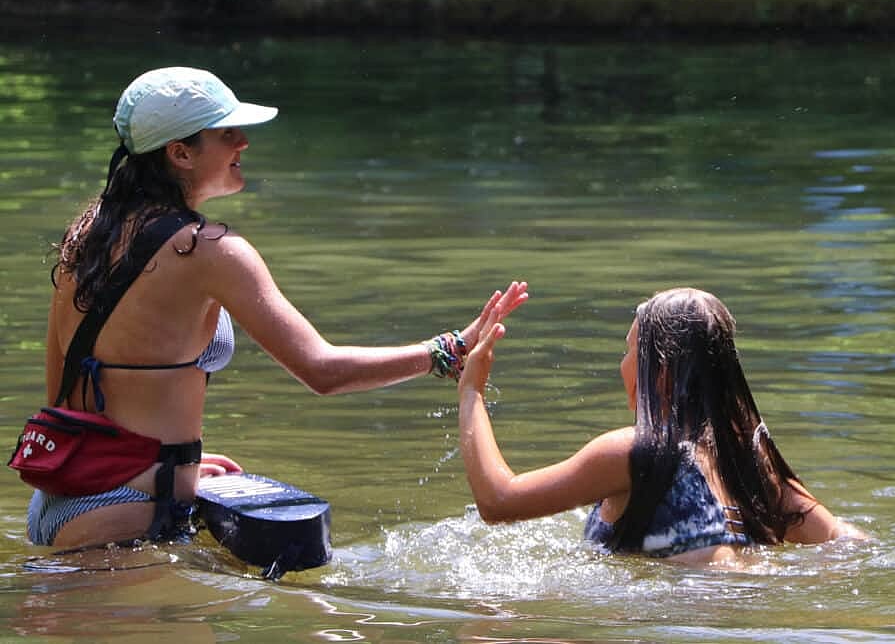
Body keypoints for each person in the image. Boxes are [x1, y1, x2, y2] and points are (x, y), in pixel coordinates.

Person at [25, 66, 529, 550]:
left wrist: (171, 470)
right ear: (180, 153)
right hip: (129, 513)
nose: (243, 141)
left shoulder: (90, 230)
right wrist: (448, 350)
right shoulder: (209, 250)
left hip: (61, 500)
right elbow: (322, 371)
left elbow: (63, 395)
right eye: (226, 133)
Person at [457, 286, 865, 565]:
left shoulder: (631, 452)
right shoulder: (750, 462)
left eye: (630, 349)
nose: (623, 364)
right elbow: (847, 542)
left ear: (662, 373)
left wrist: (471, 390)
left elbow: (498, 502)